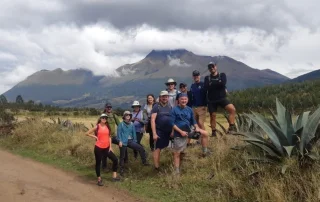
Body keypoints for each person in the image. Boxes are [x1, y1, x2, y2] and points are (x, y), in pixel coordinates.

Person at [171, 93, 209, 174]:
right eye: (182, 99)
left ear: (187, 100)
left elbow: (193, 121)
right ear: (178, 100)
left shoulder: (189, 109)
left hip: (189, 130)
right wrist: (180, 132)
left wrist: (197, 127)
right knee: (177, 152)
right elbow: (172, 123)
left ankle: (205, 152)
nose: (184, 100)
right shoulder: (174, 110)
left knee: (205, 133)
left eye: (185, 99)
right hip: (179, 133)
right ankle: (176, 170)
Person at [85, 113, 120, 186]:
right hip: (98, 148)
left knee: (115, 159)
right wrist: (95, 137)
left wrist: (110, 147)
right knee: (98, 163)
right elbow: (87, 133)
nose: (104, 119)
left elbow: (109, 137)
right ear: (100, 118)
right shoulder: (97, 126)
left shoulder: (108, 126)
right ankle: (99, 179)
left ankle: (114, 176)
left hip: (106, 147)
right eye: (103, 118)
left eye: (105, 118)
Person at [204, 62, 237, 136]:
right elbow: (206, 87)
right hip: (211, 100)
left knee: (232, 109)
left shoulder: (222, 75)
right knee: (213, 116)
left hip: (222, 98)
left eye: (212, 66)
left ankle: (231, 127)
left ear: (216, 66)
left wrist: (212, 84)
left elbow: (223, 83)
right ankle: (213, 133)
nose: (211, 68)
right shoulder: (207, 78)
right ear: (209, 69)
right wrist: (218, 83)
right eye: (209, 67)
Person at [117, 111, 150, 176]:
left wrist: (134, 141)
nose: (128, 116)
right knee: (122, 156)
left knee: (140, 148)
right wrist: (120, 141)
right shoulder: (121, 124)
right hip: (123, 141)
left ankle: (144, 162)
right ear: (124, 116)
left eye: (129, 115)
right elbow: (119, 134)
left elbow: (134, 133)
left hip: (130, 141)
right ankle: (121, 170)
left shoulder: (132, 124)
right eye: (126, 115)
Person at [101, 103, 127, 169]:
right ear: (105, 108)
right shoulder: (102, 116)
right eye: (108, 107)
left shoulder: (114, 116)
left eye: (110, 107)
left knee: (123, 144)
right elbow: (99, 126)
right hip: (106, 137)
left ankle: (123, 162)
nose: (109, 108)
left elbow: (120, 125)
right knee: (105, 152)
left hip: (113, 136)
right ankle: (104, 167)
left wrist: (124, 133)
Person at [151, 91, 173, 170]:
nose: (164, 98)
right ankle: (156, 167)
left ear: (168, 97)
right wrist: (154, 133)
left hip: (169, 131)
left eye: (166, 96)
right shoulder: (156, 106)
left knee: (175, 147)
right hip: (159, 131)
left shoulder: (170, 106)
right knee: (157, 148)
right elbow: (153, 120)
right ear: (160, 97)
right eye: (163, 96)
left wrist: (173, 131)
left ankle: (173, 164)